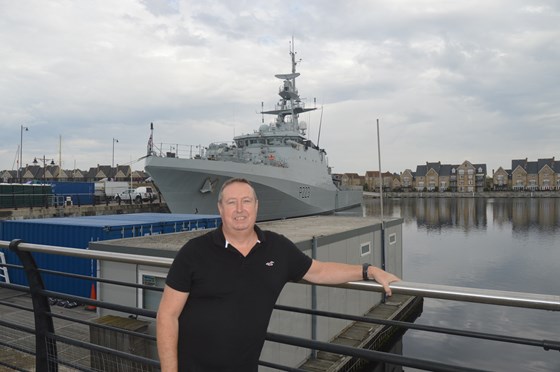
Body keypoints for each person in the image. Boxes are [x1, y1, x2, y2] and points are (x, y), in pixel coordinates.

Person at [157, 178, 400, 372]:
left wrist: (368, 270)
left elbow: (320, 270)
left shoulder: (277, 248)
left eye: (246, 201)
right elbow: (167, 316)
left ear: (256, 206)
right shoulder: (194, 252)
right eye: (231, 202)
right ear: (220, 208)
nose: (239, 209)